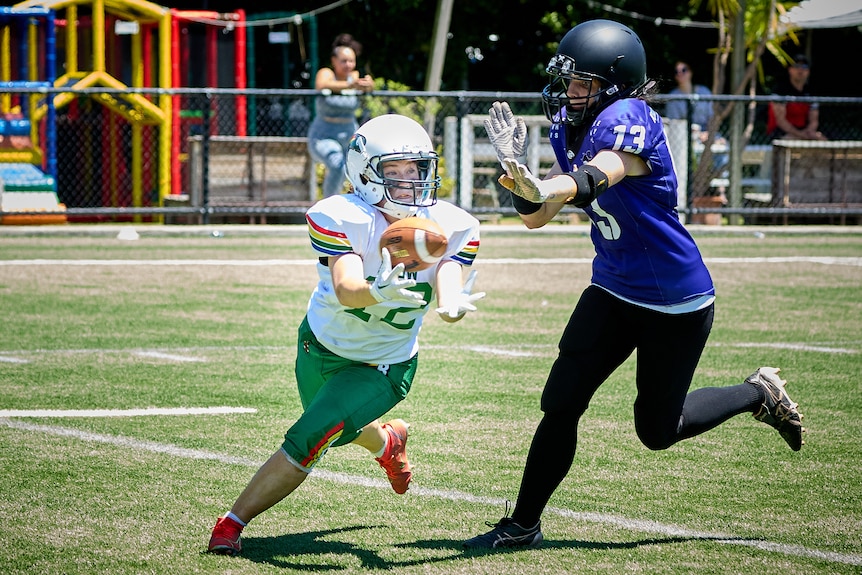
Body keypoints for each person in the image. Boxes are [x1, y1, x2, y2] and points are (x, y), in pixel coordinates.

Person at [463, 19, 805, 550]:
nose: (570, 93)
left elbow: (601, 173)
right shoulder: (569, 126)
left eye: (582, 83)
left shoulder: (628, 117)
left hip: (675, 299)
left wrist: (542, 183)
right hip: (613, 287)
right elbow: (536, 216)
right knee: (561, 401)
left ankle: (756, 392)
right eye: (568, 81)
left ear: (614, 84)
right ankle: (524, 522)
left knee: (657, 431)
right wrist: (516, 169)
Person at [209, 114, 484, 556]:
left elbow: (450, 282)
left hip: (384, 364)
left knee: (309, 437)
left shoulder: (451, 225)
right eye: (392, 171)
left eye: (414, 169)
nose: (408, 181)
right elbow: (348, 290)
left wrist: (451, 305)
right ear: (365, 173)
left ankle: (231, 523)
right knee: (337, 430)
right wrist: (378, 289)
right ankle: (388, 441)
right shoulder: (343, 215)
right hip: (320, 344)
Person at [307, 34, 375, 198]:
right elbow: (321, 85)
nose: (348, 65)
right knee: (337, 164)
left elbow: (369, 86)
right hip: (324, 136)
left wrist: (368, 85)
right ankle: (329, 205)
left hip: (349, 136)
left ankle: (355, 203)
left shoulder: (356, 76)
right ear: (334, 61)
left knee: (362, 169)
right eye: (344, 61)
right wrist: (349, 85)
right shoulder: (326, 74)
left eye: (351, 61)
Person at [664, 60, 729, 173]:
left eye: (683, 70)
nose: (680, 74)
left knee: (723, 145)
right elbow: (675, 124)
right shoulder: (673, 97)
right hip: (684, 134)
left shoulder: (704, 92)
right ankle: (697, 182)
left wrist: (709, 134)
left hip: (707, 131)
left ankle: (719, 186)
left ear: (690, 73)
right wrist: (697, 135)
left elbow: (712, 117)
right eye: (676, 71)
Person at [767, 53, 827, 141]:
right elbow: (781, 121)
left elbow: (814, 120)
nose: (800, 70)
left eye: (804, 67)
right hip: (781, 133)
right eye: (796, 66)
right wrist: (800, 135)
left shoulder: (811, 92)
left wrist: (808, 132)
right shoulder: (780, 90)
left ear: (808, 71)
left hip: (803, 131)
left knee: (821, 139)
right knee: (790, 139)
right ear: (790, 70)